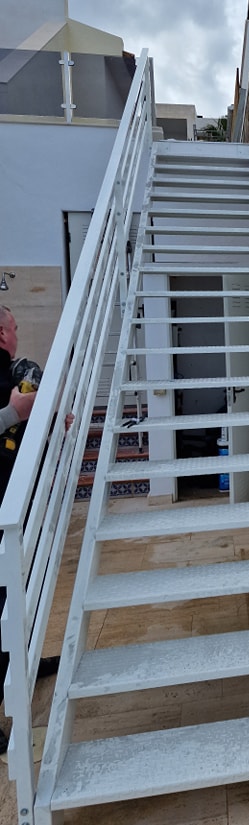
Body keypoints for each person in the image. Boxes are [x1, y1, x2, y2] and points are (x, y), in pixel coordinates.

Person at [0, 306, 69, 755]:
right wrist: (12, 412)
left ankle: (23, 659)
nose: (17, 332)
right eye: (12, 326)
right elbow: (10, 417)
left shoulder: (15, 371)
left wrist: (43, 417)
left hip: (14, 499)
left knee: (20, 587)